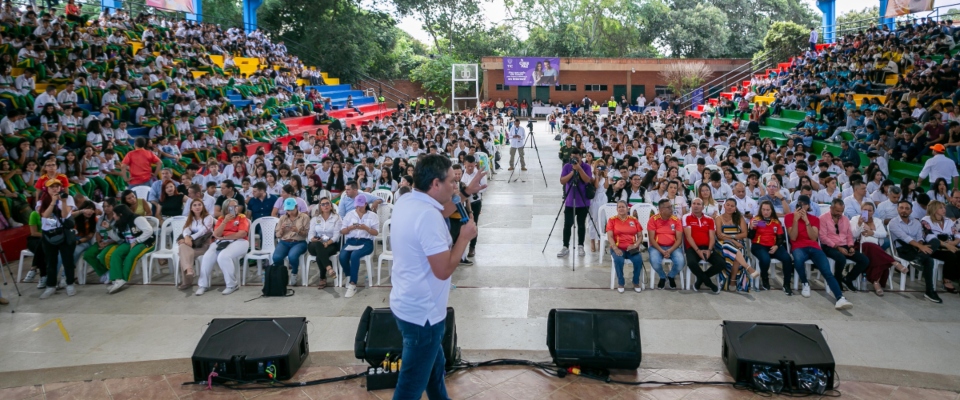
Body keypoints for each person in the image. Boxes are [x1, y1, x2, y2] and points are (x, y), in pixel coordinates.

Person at [389, 154, 477, 399]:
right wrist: (463, 237)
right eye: (451, 181)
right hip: (423, 317)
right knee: (410, 387)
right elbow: (443, 271)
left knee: (435, 374)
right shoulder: (428, 217)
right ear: (436, 184)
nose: (455, 185)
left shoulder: (408, 199)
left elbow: (442, 209)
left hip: (407, 303)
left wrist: (467, 192)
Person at [786, 195, 853, 309]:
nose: (801, 207)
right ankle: (805, 283)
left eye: (804, 204)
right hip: (798, 246)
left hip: (814, 247)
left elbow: (813, 237)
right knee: (797, 260)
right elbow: (793, 237)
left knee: (826, 271)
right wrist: (796, 220)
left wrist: (807, 221)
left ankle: (840, 297)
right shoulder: (789, 217)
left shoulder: (814, 219)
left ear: (808, 206)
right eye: (799, 204)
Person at [889, 200, 943, 303]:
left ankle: (918, 259)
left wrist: (920, 245)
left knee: (935, 241)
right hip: (904, 249)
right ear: (897, 209)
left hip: (917, 248)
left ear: (911, 211)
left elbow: (920, 236)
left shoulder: (916, 222)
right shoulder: (893, 222)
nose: (904, 210)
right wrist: (920, 247)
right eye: (901, 208)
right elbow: (904, 238)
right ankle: (930, 291)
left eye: (907, 208)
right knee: (929, 261)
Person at [851, 202, 909, 296]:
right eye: (865, 210)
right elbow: (853, 234)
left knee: (877, 255)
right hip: (860, 246)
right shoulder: (855, 219)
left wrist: (872, 232)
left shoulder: (877, 221)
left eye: (870, 210)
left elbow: (884, 234)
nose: (867, 212)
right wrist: (859, 224)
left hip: (875, 247)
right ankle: (893, 262)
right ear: (861, 210)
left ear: (873, 212)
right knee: (872, 248)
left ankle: (876, 282)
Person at [196, 198, 250, 296]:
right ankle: (203, 285)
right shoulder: (221, 218)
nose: (235, 209)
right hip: (221, 241)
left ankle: (232, 285)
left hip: (240, 241)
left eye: (236, 206)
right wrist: (225, 222)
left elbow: (242, 233)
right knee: (207, 257)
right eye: (231, 207)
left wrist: (225, 237)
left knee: (223, 256)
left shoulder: (242, 217)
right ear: (225, 209)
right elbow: (216, 234)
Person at [38, 179, 77, 299]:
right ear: (47, 189)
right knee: (50, 261)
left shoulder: (68, 198)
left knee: (67, 260)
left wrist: (63, 201)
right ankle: (51, 286)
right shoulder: (41, 201)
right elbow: (44, 215)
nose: (55, 189)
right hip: (48, 234)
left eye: (57, 186)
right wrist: (53, 202)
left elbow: (65, 215)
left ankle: (70, 283)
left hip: (63, 233)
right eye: (52, 187)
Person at [105, 204, 155, 294]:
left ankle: (123, 279)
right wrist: (108, 229)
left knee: (130, 256)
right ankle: (117, 279)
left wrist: (137, 241)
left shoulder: (137, 219)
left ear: (120, 214)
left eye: (114, 214)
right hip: (129, 243)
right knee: (116, 254)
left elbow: (149, 230)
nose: (113, 216)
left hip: (145, 242)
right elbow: (118, 238)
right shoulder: (120, 223)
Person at [715, 199, 761, 291]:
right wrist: (733, 240)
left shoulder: (739, 218)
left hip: (738, 243)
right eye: (728, 205)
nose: (729, 207)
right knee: (728, 245)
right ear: (724, 206)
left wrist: (730, 236)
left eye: (732, 206)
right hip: (722, 244)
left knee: (736, 252)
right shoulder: (718, 218)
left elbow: (745, 234)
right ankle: (747, 268)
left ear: (735, 208)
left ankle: (732, 280)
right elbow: (720, 235)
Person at [339, 195, 379, 298]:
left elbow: (375, 233)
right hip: (351, 241)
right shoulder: (349, 215)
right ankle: (349, 275)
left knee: (355, 255)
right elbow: (342, 231)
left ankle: (353, 284)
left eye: (361, 206)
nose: (359, 208)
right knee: (342, 256)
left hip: (366, 242)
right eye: (357, 206)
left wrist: (366, 228)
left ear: (366, 204)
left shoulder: (372, 216)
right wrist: (350, 228)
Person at [748, 200, 793, 291]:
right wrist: (751, 228)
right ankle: (765, 278)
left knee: (787, 259)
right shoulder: (757, 220)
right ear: (761, 210)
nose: (765, 212)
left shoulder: (776, 222)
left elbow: (780, 237)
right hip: (759, 245)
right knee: (765, 259)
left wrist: (776, 246)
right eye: (763, 210)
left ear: (771, 210)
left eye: (768, 210)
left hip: (774, 245)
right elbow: (750, 237)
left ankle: (787, 284)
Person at [683, 198, 725, 293]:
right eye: (694, 203)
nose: (696, 206)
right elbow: (689, 237)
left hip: (707, 247)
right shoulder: (686, 217)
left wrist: (709, 250)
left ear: (703, 207)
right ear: (691, 206)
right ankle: (709, 283)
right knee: (691, 263)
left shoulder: (709, 220)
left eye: (698, 204)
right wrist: (698, 251)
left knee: (721, 263)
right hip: (693, 248)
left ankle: (700, 280)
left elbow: (712, 237)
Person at [558, 149, 592, 257]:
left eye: (576, 157)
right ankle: (565, 247)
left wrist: (579, 169)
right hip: (569, 201)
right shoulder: (567, 167)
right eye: (572, 157)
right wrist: (573, 172)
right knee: (567, 224)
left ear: (581, 157)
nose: (574, 159)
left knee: (581, 225)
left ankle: (580, 246)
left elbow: (587, 180)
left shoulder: (586, 167)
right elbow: (562, 181)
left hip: (583, 202)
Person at [920, 200, 960, 293]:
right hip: (934, 247)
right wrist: (946, 245)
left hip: (949, 245)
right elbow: (930, 237)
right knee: (951, 256)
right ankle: (947, 280)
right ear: (934, 209)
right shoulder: (925, 220)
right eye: (941, 208)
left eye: (944, 207)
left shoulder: (948, 220)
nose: (944, 209)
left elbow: (956, 233)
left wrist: (954, 243)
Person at [606, 200, 645, 293]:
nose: (621, 209)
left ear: (627, 208)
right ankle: (621, 282)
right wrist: (615, 248)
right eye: (619, 207)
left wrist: (635, 245)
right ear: (616, 209)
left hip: (632, 248)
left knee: (638, 260)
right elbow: (609, 236)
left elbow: (640, 236)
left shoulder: (634, 220)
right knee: (618, 260)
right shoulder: (612, 220)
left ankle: (635, 282)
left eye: (623, 206)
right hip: (617, 248)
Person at [646, 199, 684, 289]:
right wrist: (662, 251)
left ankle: (671, 276)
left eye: (671, 206)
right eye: (669, 207)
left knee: (681, 262)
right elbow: (651, 239)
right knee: (654, 261)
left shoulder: (676, 220)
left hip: (673, 247)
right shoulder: (653, 220)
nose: (672, 209)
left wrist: (670, 250)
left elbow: (679, 239)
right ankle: (662, 276)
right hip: (657, 247)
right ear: (661, 210)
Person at [177, 199, 214, 290]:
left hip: (204, 244)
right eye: (194, 205)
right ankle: (189, 269)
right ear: (191, 208)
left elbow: (203, 231)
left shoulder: (208, 217)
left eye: (199, 205)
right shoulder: (191, 219)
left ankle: (187, 281)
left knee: (183, 252)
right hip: (192, 244)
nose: (197, 207)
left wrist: (190, 238)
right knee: (182, 248)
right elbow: (186, 229)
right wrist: (186, 237)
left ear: (203, 206)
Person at [273, 198, 311, 285]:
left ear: (297, 207)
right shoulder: (283, 218)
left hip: (299, 242)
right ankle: (281, 274)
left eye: (291, 210)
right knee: (276, 257)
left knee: (292, 256)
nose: (289, 212)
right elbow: (278, 235)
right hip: (284, 242)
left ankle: (294, 272)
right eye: (287, 210)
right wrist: (282, 230)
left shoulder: (304, 217)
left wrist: (297, 230)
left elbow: (306, 235)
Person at [308, 197, 341, 289]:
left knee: (320, 255)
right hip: (315, 244)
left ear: (331, 206)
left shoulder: (337, 218)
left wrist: (328, 243)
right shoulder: (315, 218)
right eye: (323, 204)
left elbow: (336, 236)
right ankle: (329, 268)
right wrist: (313, 239)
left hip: (331, 244)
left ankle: (322, 278)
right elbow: (310, 234)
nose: (325, 206)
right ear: (320, 207)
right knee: (319, 245)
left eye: (327, 203)